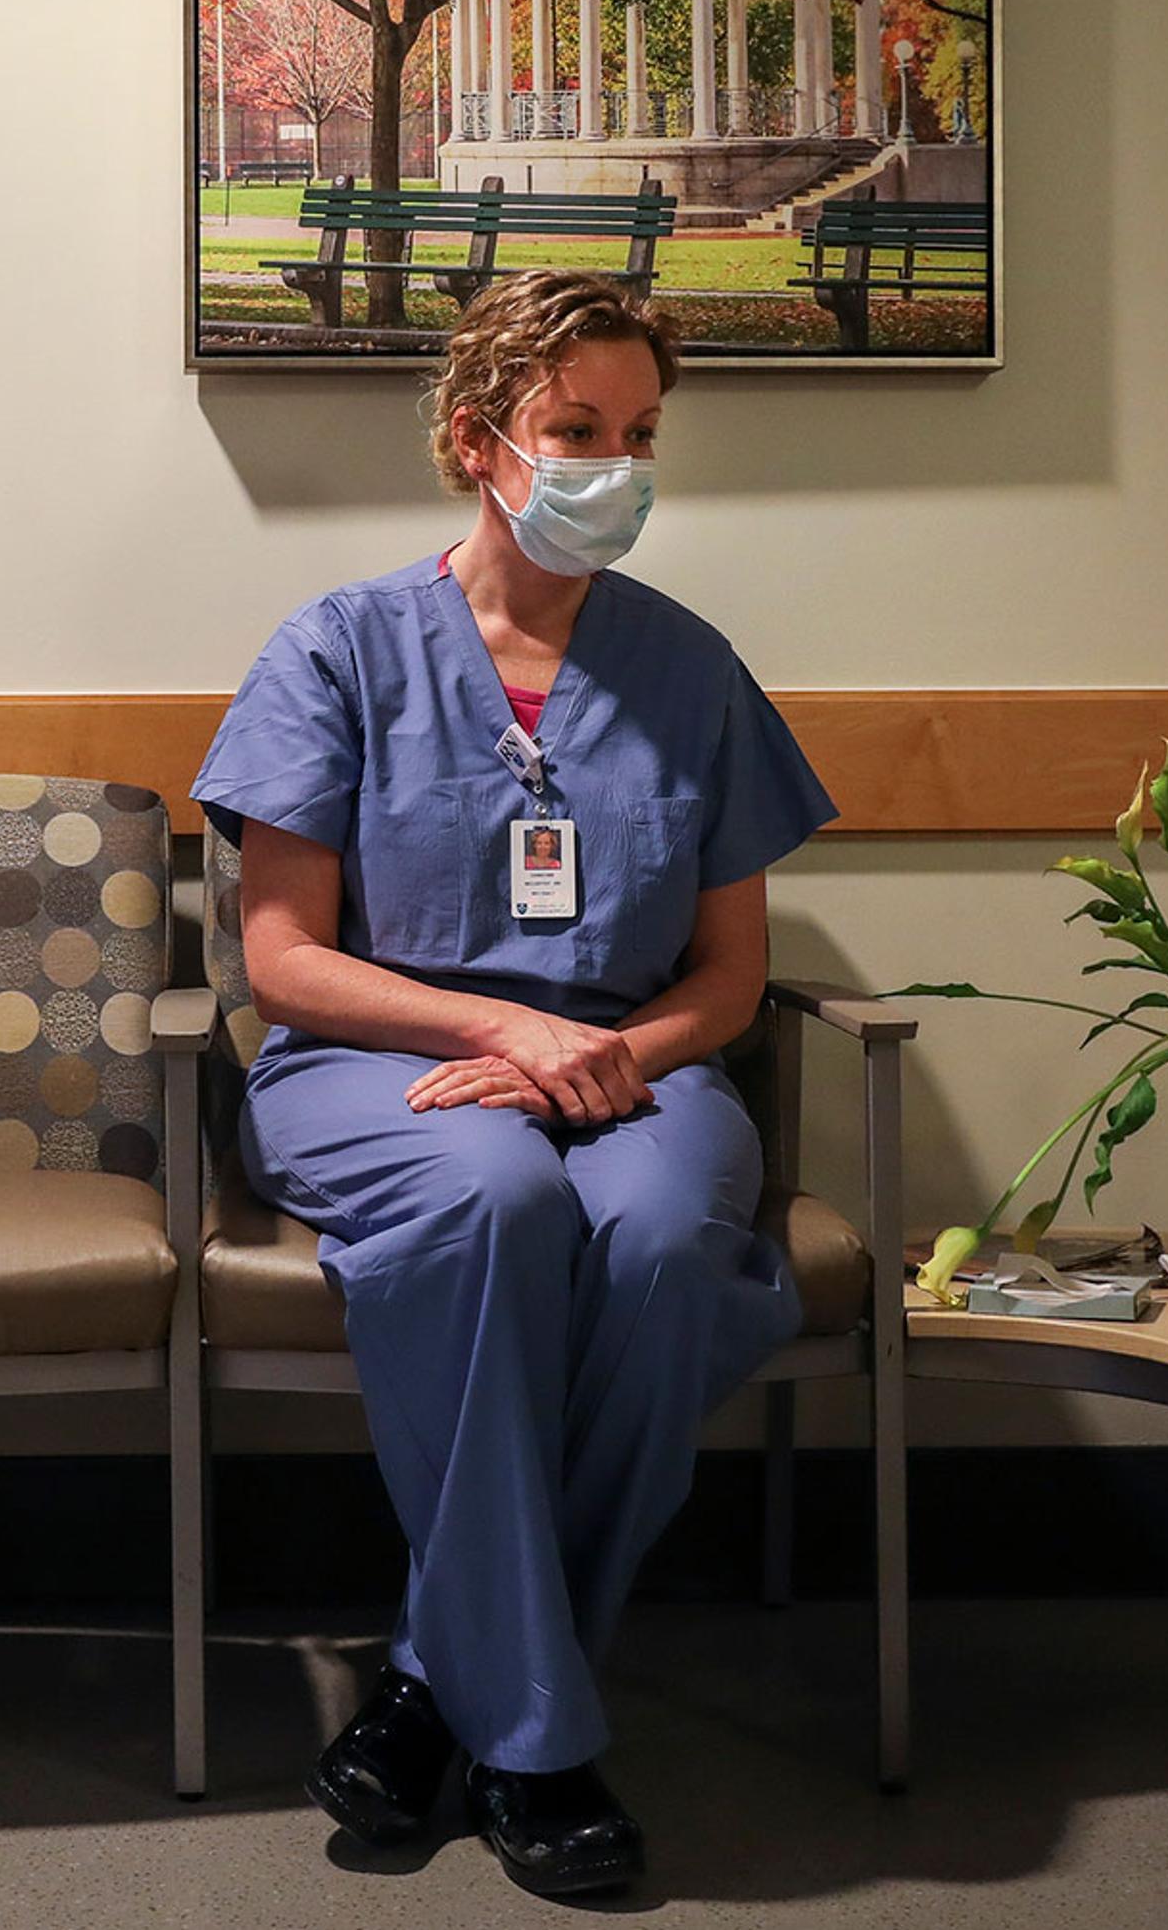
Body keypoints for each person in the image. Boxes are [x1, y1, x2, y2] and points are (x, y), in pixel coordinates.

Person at [190, 270, 838, 1897]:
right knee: (489, 1200)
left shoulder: (690, 670)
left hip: (635, 1060)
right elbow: (287, 964)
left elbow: (730, 981)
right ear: (481, 441)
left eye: (638, 433)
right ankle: (540, 1744)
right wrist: (499, 1036)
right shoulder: (341, 650)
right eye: (576, 430)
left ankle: (433, 1682)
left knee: (672, 1245)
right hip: (376, 1062)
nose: (613, 463)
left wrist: (602, 1050)